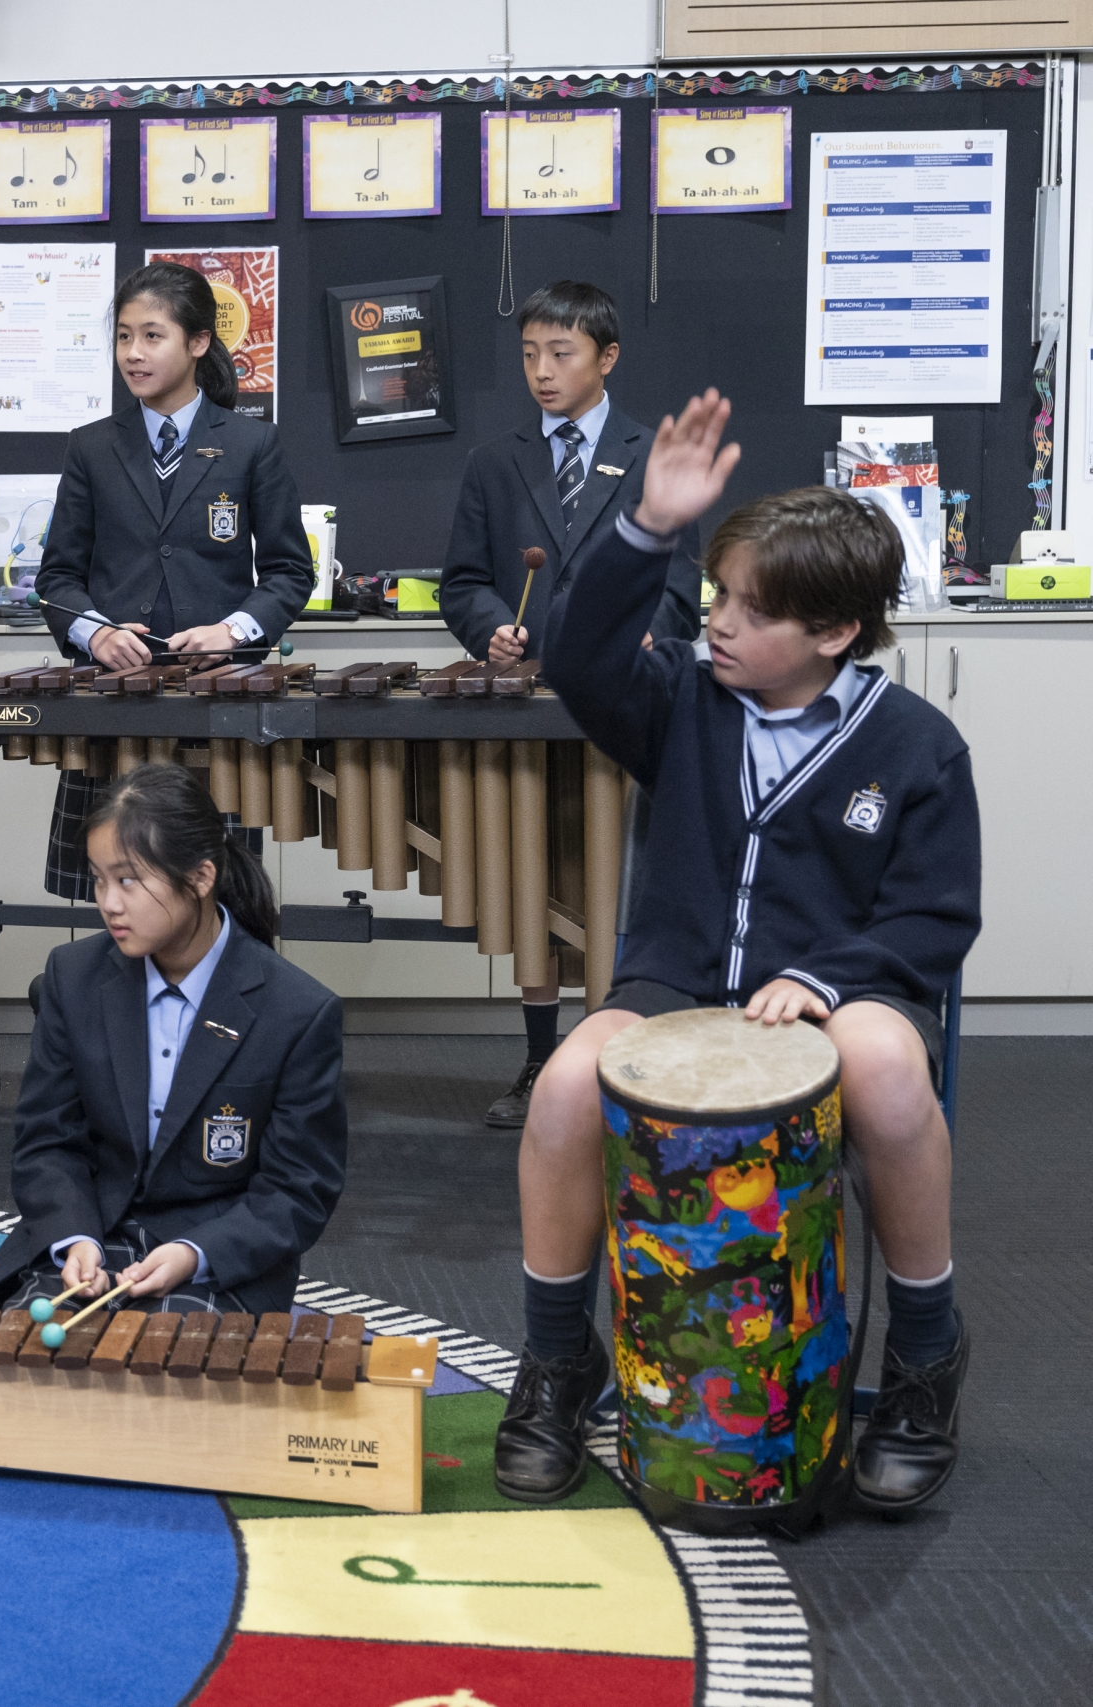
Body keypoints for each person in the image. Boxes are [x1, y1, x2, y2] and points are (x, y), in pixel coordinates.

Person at [500, 391, 979, 1514]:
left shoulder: (916, 746)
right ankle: (559, 1362)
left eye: (749, 610)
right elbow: (574, 653)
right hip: (674, 985)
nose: (716, 620)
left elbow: (933, 921)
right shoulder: (675, 699)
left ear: (832, 633)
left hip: (850, 988)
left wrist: (822, 979)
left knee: (889, 1073)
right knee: (567, 1084)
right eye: (715, 594)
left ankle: (922, 1356)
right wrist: (643, 528)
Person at [438, 279, 704, 1127]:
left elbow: (680, 586)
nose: (542, 372)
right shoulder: (495, 459)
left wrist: (635, 644)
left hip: (621, 702)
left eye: (560, 353)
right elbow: (465, 582)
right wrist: (489, 632)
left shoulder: (651, 451)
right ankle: (540, 1055)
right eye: (529, 355)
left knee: (605, 882)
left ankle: (619, 1049)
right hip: (526, 703)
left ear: (606, 356)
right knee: (531, 876)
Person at [0, 766, 348, 1316]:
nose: (109, 903)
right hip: (94, 1230)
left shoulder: (298, 1011)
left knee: (170, 1386)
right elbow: (48, 1142)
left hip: (216, 1255)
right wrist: (75, 1239)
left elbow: (296, 1190)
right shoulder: (73, 977)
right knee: (25, 1371)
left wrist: (194, 1253)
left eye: (129, 880)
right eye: (98, 879)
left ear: (201, 877)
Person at [33, 262, 315, 899]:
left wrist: (232, 631)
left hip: (219, 699)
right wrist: (93, 631)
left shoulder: (251, 445)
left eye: (152, 336)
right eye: (124, 337)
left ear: (197, 343)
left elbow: (290, 571)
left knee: (215, 892)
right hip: (115, 703)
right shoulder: (90, 448)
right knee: (117, 893)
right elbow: (56, 577)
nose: (133, 353)